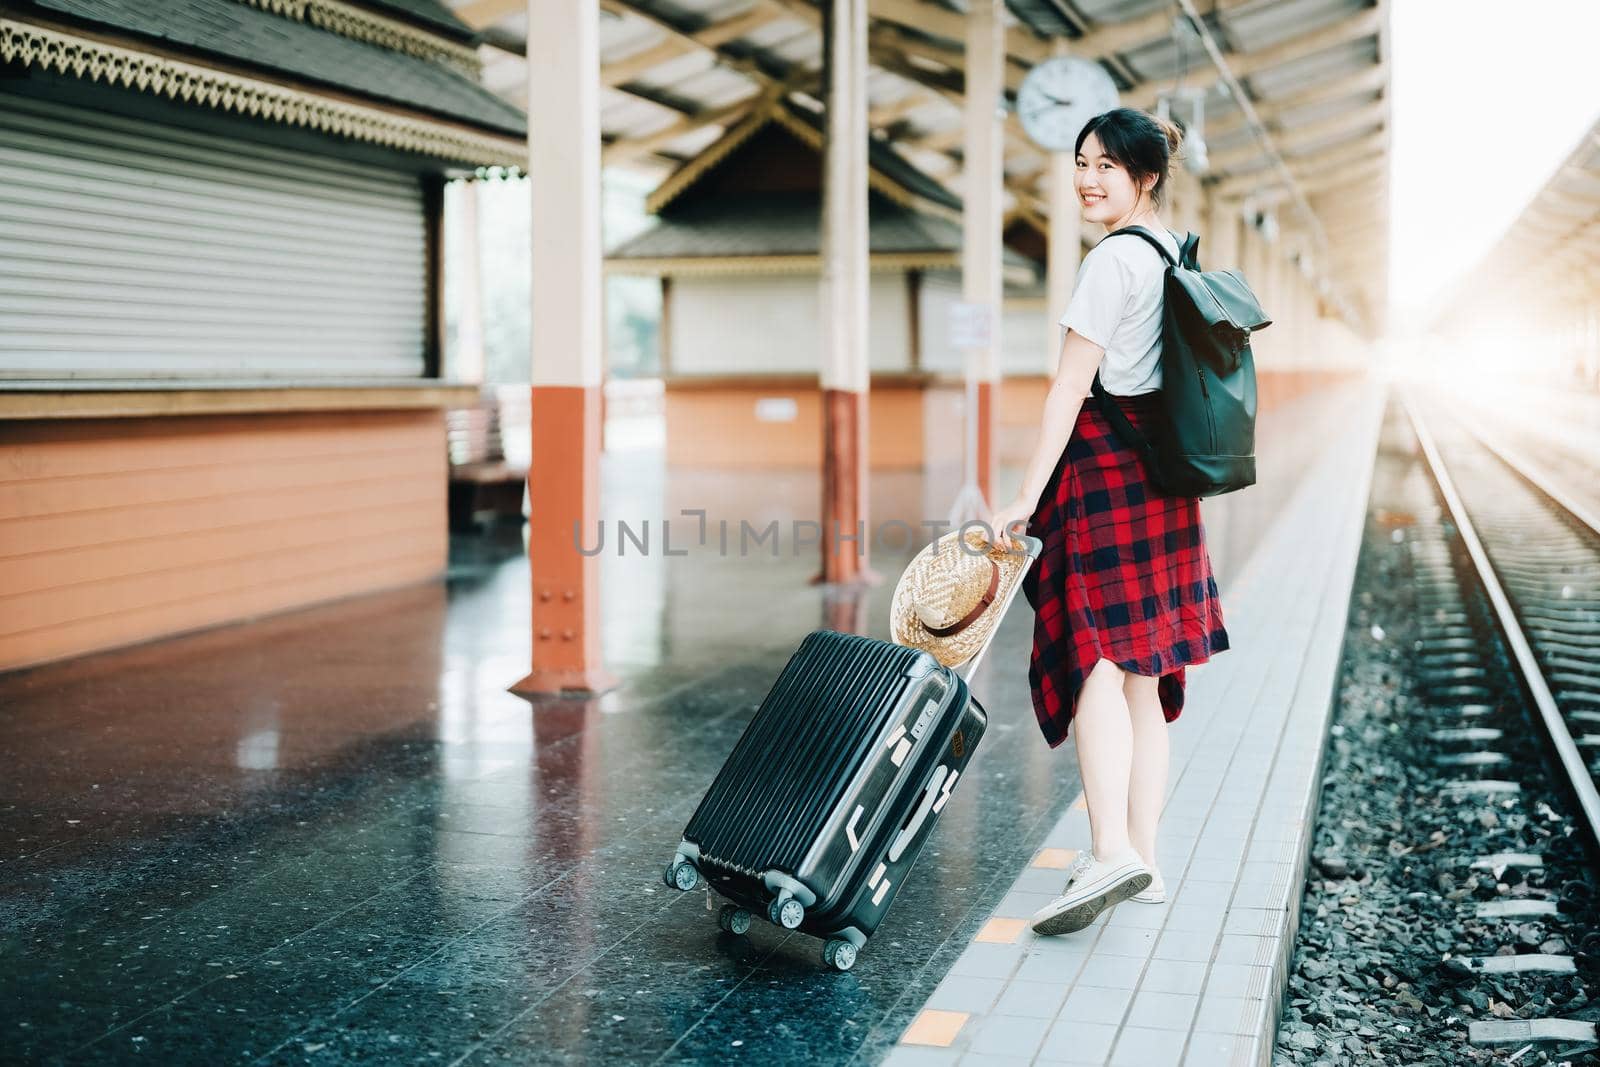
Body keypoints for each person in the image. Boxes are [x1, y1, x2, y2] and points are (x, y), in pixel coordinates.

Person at [988, 107, 1232, 936]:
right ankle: (1146, 860)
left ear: (1146, 176)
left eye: (1107, 166)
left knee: (1096, 659)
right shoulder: (1173, 253)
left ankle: (1108, 849)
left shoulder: (1111, 262)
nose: (1089, 179)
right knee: (1146, 673)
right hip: (1162, 478)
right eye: (1082, 162)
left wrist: (1024, 494)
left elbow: (1067, 388)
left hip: (1102, 476)